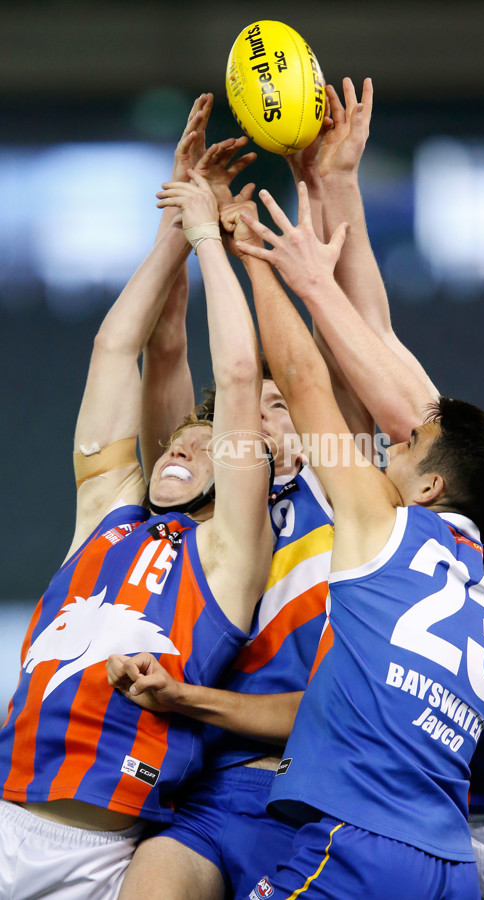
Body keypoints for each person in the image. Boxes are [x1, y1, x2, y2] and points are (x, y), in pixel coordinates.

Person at [243, 77, 484, 900]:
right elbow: (382, 338)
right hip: (429, 803)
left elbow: (407, 404)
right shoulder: (471, 464)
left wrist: (309, 282)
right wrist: (336, 183)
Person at [0, 112, 273, 897]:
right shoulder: (109, 514)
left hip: (97, 856)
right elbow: (115, 349)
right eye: (178, 438)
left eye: (205, 442)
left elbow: (243, 377)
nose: (183, 446)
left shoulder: (227, 556)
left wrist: (213, 239)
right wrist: (173, 229)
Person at [233, 180, 484, 900]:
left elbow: (302, 380)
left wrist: (256, 258)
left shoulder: (384, 524)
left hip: (359, 842)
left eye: (406, 445)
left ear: (430, 486)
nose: (387, 452)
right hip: (451, 865)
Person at [108, 141, 338, 900]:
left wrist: (321, 191)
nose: (268, 415)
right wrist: (184, 214)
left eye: (286, 406)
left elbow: (331, 348)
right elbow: (167, 352)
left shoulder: (345, 497)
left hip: (322, 791)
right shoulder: (203, 495)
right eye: (255, 406)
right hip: (209, 789)